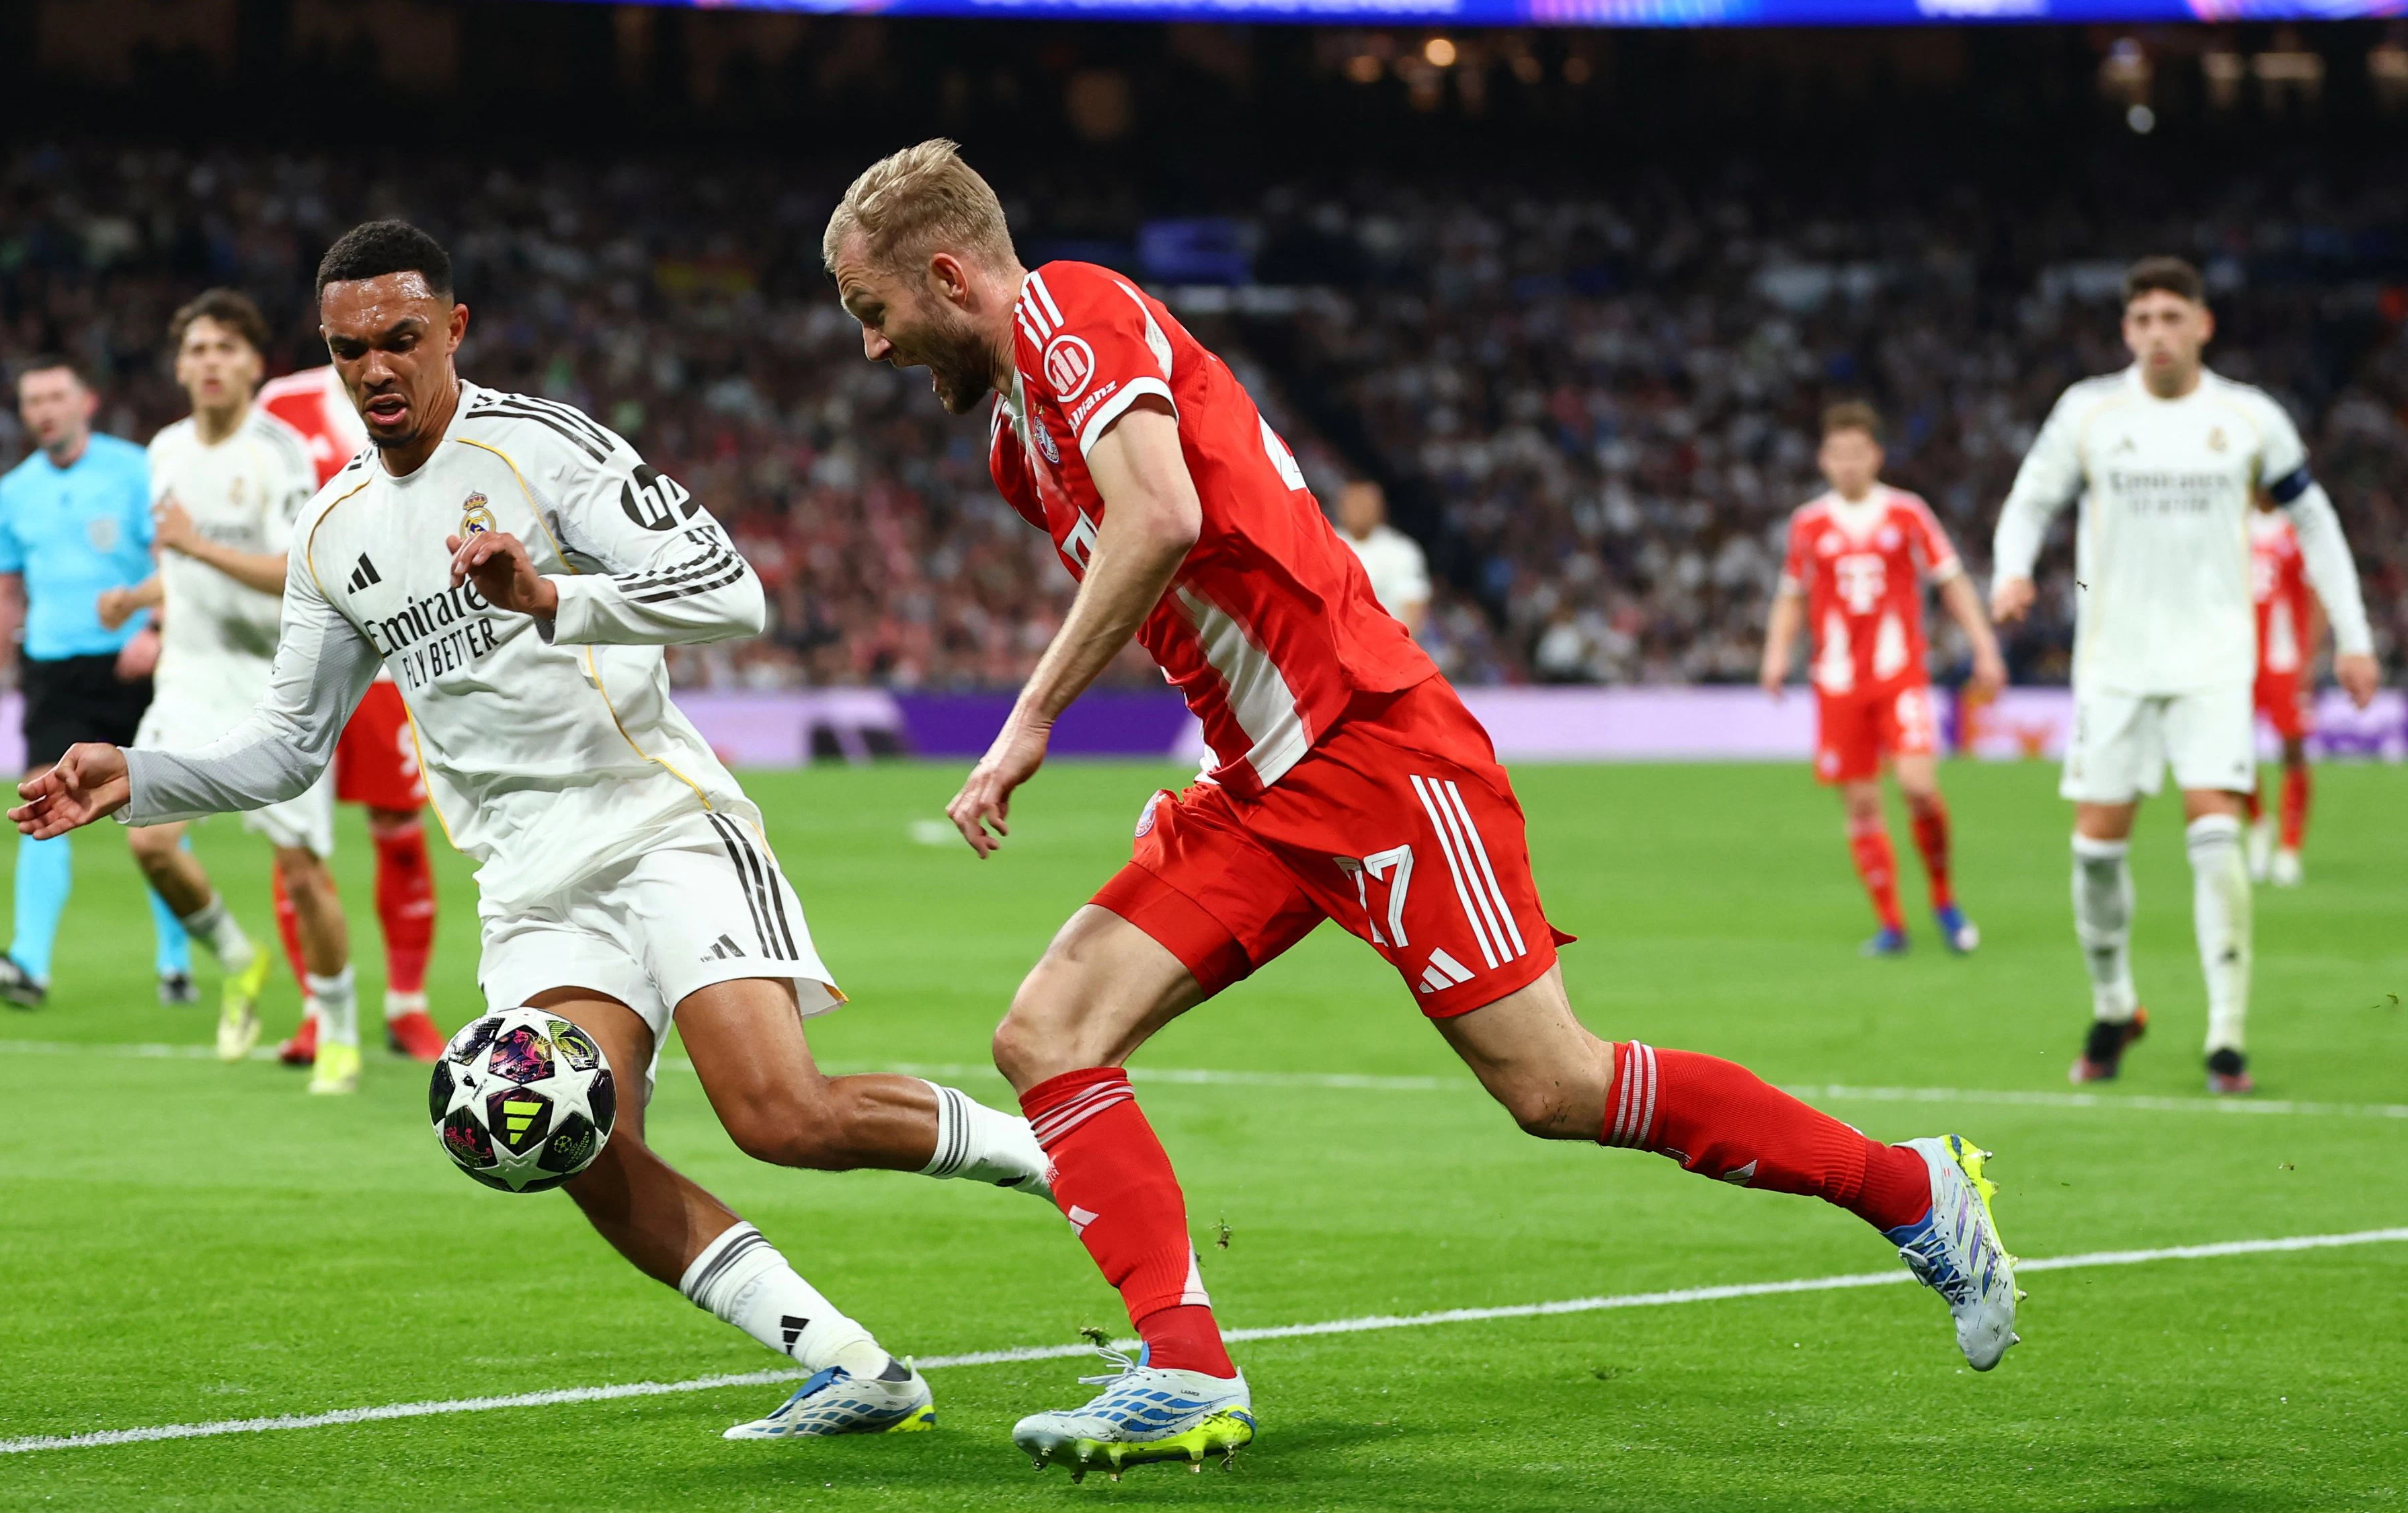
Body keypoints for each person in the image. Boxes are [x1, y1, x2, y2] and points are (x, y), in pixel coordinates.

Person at [822, 139, 2021, 1480]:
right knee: (1045, 1034)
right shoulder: (1009, 433)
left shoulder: (1075, 313)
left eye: (874, 315)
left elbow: (1156, 516)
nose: (872, 351)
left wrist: (1030, 716)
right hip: (1260, 789)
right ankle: (1181, 1370)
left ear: (945, 274)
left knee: (1554, 1088)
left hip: (1373, 752)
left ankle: (1910, 1189)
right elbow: (1168, 568)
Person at [5, 221, 1054, 1438]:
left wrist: (552, 595)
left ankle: (1054, 1159)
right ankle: (856, 1368)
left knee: (781, 1116)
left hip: (658, 822)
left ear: (454, 328)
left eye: (401, 339)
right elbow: (287, 748)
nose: (376, 370)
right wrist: (135, 773)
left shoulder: (543, 448)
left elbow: (733, 595)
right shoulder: (335, 534)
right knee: (571, 1143)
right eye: (350, 351)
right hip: (530, 881)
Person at [1991, 256, 2380, 1095]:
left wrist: (2351, 636)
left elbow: (2316, 523)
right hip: (2114, 665)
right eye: (2141, 320)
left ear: (2202, 325)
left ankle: (2226, 1038)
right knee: (2095, 850)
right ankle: (2113, 1006)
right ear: (2125, 332)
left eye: (2172, 317)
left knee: (2214, 836)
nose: (2156, 333)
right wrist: (2010, 571)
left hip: (2213, 661)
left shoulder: (2247, 419)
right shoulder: (2089, 414)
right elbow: (2030, 498)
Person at [99, 291, 346, 1081]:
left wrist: (195, 548)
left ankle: (335, 1027)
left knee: (301, 870)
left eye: (226, 349)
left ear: (252, 365)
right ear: (180, 366)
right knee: (148, 840)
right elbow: (181, 565)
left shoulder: (278, 451)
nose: (210, 362)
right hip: (191, 677)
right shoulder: (164, 451)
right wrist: (141, 598)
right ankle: (240, 961)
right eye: (197, 349)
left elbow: (300, 572)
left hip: (281, 683)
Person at [0, 358, 196, 1009]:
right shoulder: (14, 490)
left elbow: (171, 552)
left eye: (56, 396)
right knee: (40, 801)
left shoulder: (134, 468)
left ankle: (175, 963)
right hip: (53, 665)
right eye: (33, 401)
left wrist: (159, 628)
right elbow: (5, 592)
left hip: (129, 660)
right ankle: (29, 965)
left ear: (87, 400)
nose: (45, 410)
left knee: (155, 807)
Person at [1759, 401, 2005, 957]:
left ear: (1876, 456)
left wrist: (1985, 648)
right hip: (1839, 685)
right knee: (1863, 805)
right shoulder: (1808, 523)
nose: (1848, 464)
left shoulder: (1908, 513)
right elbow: (1791, 597)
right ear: (1824, 459)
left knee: (1919, 787)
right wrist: (1776, 656)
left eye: (1858, 453)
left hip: (1900, 679)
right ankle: (1892, 925)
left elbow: (1954, 582)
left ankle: (1944, 899)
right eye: (1838, 454)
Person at [254, 361, 446, 1064]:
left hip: (397, 650)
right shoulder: (281, 404)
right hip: (305, 652)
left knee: (398, 827)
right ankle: (316, 1009)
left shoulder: (428, 385)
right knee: (299, 838)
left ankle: (407, 1006)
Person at [2243, 506, 2323, 887]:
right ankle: (2259, 825)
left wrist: (2310, 656)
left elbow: (2315, 595)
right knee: (2235, 751)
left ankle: (2290, 849)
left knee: (2293, 751)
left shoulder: (2296, 531)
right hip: (2240, 658)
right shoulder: (2234, 525)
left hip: (2284, 658)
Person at [1331, 479, 1429, 635]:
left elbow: (1413, 606)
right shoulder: (1327, 545)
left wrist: (1402, 648)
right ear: (1341, 508)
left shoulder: (1402, 551)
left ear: (1380, 508)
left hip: (1386, 645)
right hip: (1338, 645)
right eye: (1354, 504)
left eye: (1366, 505)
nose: (1360, 510)